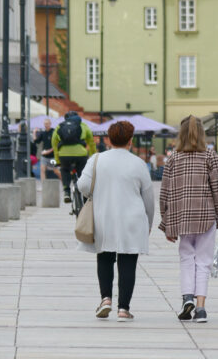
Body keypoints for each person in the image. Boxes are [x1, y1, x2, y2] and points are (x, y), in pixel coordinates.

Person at [78, 120, 154, 322]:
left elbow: (83, 185)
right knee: (128, 262)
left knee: (104, 257)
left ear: (109, 140)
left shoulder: (96, 159)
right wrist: (149, 224)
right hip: (132, 219)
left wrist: (97, 191)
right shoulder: (138, 163)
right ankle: (123, 308)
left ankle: (105, 299)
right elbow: (148, 199)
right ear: (130, 141)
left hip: (104, 215)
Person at [159, 116, 218, 324]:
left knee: (186, 258)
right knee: (204, 262)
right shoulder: (209, 156)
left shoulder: (173, 158)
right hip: (206, 216)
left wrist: (166, 222)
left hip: (182, 217)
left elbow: (165, 192)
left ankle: (186, 297)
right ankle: (200, 308)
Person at [52, 111, 96, 203]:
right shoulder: (83, 125)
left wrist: (57, 159)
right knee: (83, 173)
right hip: (80, 154)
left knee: (65, 170)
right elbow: (91, 142)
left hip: (64, 155)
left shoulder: (60, 126)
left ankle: (67, 192)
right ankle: (85, 197)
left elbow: (54, 142)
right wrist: (93, 156)